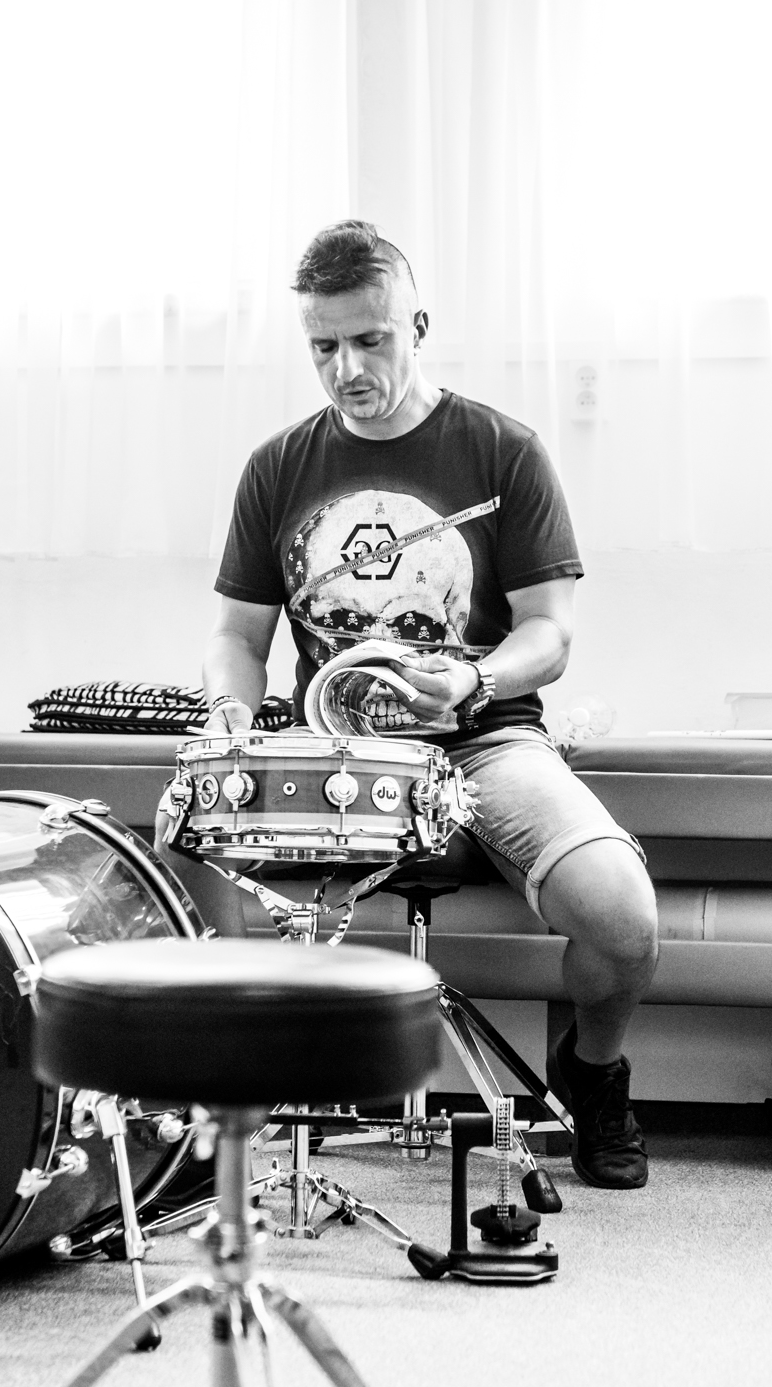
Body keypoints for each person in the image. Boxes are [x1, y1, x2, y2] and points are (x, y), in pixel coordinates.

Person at [157, 220, 658, 1188]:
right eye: (322, 347)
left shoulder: (503, 451)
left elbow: (549, 634)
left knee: (623, 919)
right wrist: (229, 713)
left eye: (368, 340)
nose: (345, 369)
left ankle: (593, 1071)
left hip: (481, 742)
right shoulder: (276, 467)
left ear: (416, 327)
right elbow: (237, 639)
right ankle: (239, 1081)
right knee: (184, 831)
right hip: (332, 749)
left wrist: (474, 679)